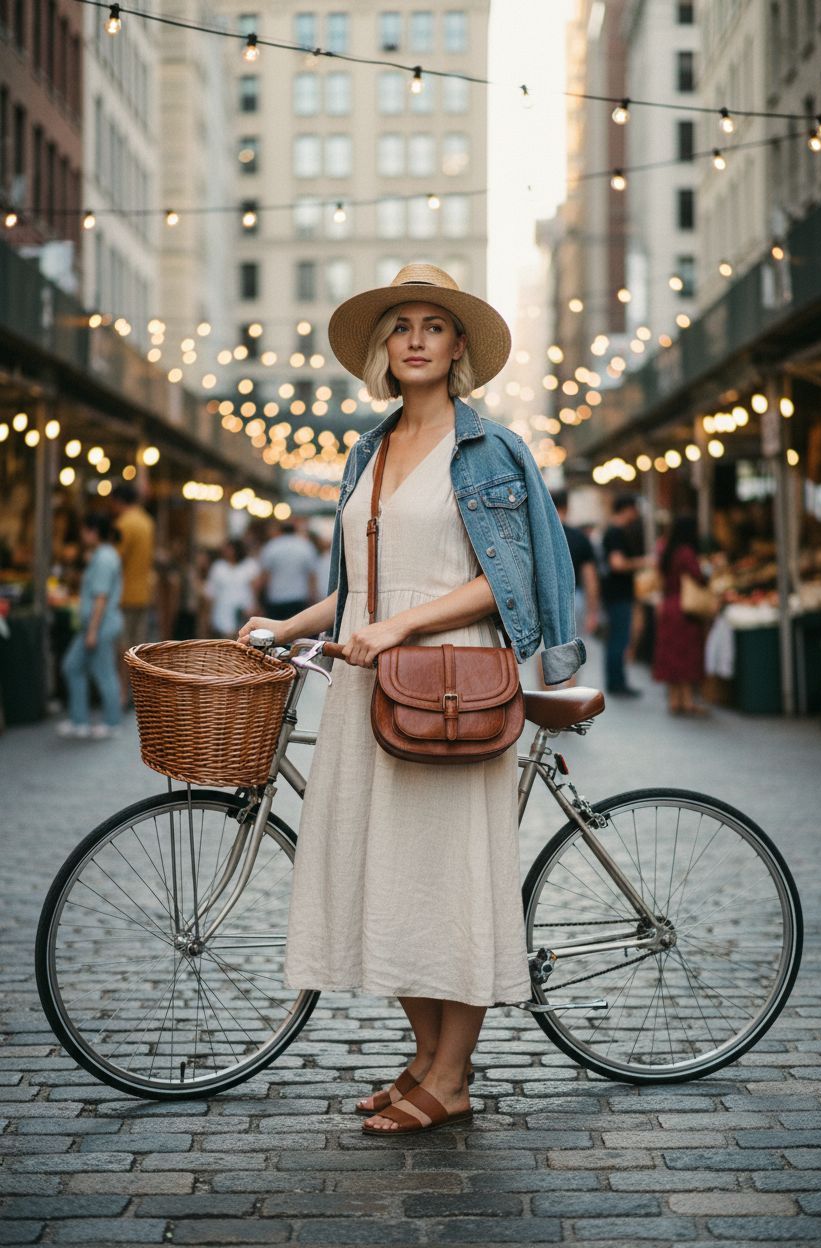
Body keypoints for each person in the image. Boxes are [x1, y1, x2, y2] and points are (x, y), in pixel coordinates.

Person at [239, 262, 583, 1137]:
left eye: (435, 324)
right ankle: (429, 1062)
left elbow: (501, 587)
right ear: (383, 351)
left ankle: (453, 1074)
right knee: (383, 873)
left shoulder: (490, 450)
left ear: (458, 346)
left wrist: (399, 629)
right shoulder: (368, 448)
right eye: (402, 326)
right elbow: (361, 589)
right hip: (368, 684)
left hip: (452, 681)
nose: (418, 339)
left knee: (451, 877)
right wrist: (289, 622)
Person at [57, 513, 123, 739]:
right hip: (95, 626)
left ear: (93, 531)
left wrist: (93, 631)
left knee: (102, 672)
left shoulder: (104, 558)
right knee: (74, 666)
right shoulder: (103, 555)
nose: (83, 535)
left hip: (98, 627)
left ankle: (110, 721)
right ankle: (80, 719)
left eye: (85, 530)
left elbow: (101, 598)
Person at [652, 515, 710, 716]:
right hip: (684, 608)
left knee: (671, 654)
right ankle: (687, 701)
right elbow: (699, 577)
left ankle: (674, 700)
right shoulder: (686, 552)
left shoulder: (666, 550)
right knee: (686, 654)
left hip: (668, 605)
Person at [601, 494, 651, 696]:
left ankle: (616, 681)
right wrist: (644, 562)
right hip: (618, 594)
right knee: (619, 639)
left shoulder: (611, 531)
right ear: (628, 509)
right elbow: (617, 563)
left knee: (617, 638)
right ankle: (617, 683)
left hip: (615, 594)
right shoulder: (616, 533)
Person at [111, 482, 155, 704]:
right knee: (138, 648)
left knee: (122, 648)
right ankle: (138, 693)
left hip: (124, 594)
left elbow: (115, 560)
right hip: (144, 592)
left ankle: (121, 694)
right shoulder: (146, 521)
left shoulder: (123, 524)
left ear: (119, 501)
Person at [550, 489, 600, 637]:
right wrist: (592, 613)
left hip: (544, 598)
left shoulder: (538, 537)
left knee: (545, 654)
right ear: (567, 507)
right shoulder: (580, 538)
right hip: (574, 599)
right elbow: (590, 579)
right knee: (573, 651)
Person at [257, 519, 318, 619]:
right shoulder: (305, 546)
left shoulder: (271, 546)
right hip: (299, 596)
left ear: (280, 531)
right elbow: (311, 575)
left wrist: (260, 599)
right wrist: (313, 596)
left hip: (276, 597)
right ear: (295, 530)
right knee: (298, 632)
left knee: (276, 631)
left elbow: (265, 575)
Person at [203, 540, 259, 638]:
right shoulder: (218, 567)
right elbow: (211, 592)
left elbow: (255, 588)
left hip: (244, 609)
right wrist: (207, 615)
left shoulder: (249, 565)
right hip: (222, 610)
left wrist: (253, 606)